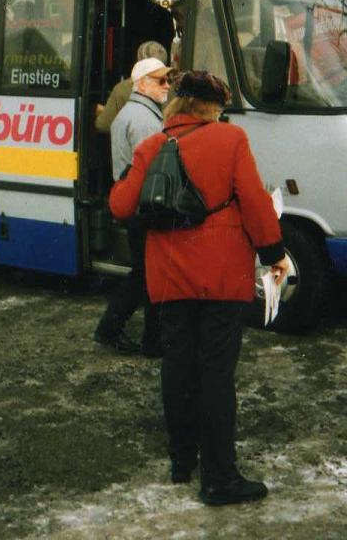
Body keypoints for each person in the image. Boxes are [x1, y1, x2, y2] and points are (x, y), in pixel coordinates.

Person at [109, 71, 291, 506]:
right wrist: (274, 255)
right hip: (221, 280)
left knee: (177, 367)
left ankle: (181, 461)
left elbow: (120, 205)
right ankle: (220, 478)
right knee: (215, 374)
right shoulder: (230, 140)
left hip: (169, 280)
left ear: (176, 103)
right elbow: (253, 202)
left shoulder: (152, 146)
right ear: (214, 107)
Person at [92, 56, 173, 356]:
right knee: (147, 274)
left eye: (167, 80)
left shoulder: (138, 112)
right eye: (160, 80)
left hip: (135, 203)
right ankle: (146, 340)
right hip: (143, 206)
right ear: (141, 84)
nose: (166, 86)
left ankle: (116, 330)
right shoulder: (143, 120)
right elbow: (153, 168)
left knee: (144, 273)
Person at [95, 41, 169, 133]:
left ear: (138, 60)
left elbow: (103, 125)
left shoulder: (123, 88)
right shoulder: (174, 89)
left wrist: (103, 112)